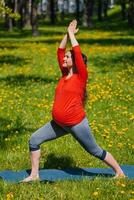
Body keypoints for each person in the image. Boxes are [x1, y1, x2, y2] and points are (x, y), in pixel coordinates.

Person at [22, 20, 125, 182]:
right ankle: (34, 175)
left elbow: (76, 51)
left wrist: (72, 34)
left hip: (76, 124)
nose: (64, 59)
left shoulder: (81, 77)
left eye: (68, 58)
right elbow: (60, 51)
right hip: (58, 123)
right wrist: (66, 32)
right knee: (34, 140)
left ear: (75, 62)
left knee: (95, 150)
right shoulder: (65, 75)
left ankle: (119, 172)